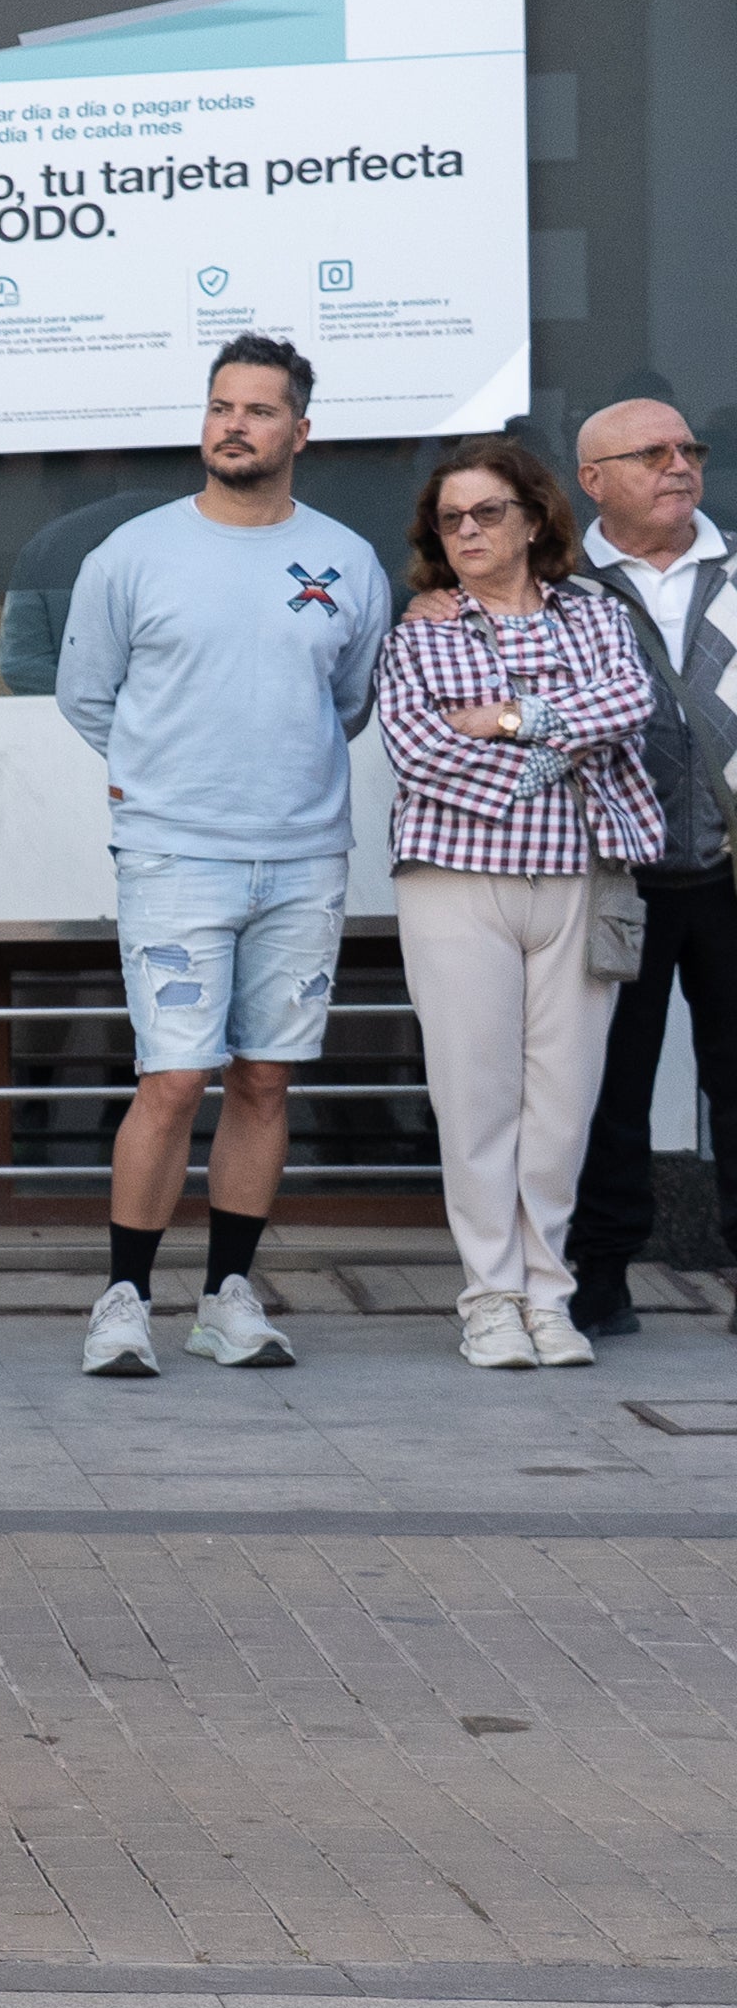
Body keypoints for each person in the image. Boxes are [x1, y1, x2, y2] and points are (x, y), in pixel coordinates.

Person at [58, 338, 388, 1381]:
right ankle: (122, 1301)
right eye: (220, 405)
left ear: (300, 430)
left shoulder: (347, 560)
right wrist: (160, 782)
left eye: (258, 409)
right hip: (174, 856)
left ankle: (228, 1298)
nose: (233, 424)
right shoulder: (132, 554)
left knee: (263, 1079)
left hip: (301, 858)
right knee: (172, 1077)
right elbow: (86, 695)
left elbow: (350, 701)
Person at [382, 438, 659, 1371]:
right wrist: (567, 745)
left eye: (486, 512)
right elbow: (422, 756)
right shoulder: (420, 632)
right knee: (477, 1101)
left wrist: (513, 723)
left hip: (581, 876)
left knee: (562, 1106)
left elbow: (630, 700)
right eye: (450, 518)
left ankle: (552, 1296)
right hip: (457, 885)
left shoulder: (591, 612)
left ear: (533, 519)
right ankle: (490, 1298)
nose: (466, 530)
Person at [564, 396, 736, 1337]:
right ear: (594, 482)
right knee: (607, 1087)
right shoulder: (558, 586)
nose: (679, 465)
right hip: (611, 874)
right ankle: (600, 1280)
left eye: (688, 449)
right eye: (652, 453)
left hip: (730, 874)